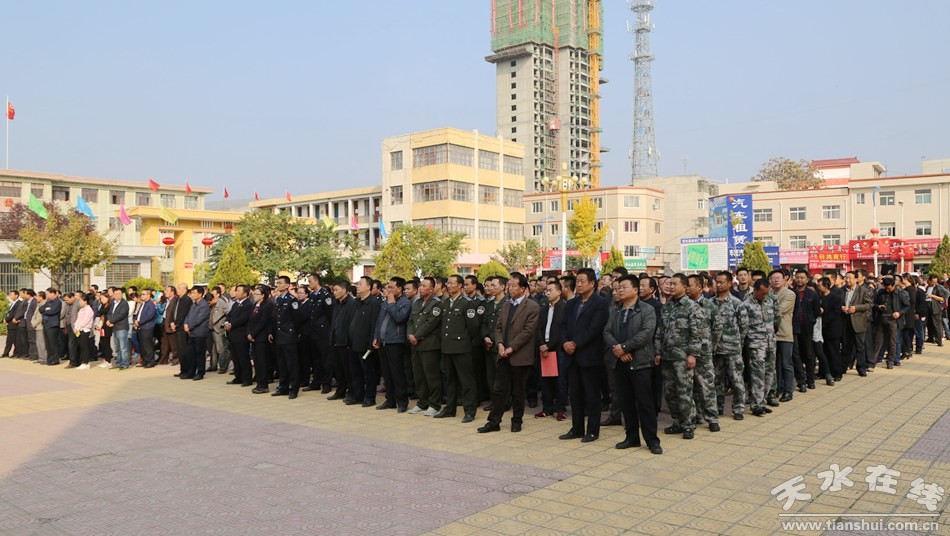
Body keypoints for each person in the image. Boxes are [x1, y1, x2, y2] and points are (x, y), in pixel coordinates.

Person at [604, 274, 661, 454]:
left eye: (624, 287)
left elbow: (646, 333)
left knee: (645, 403)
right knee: (626, 402)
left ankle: (652, 440)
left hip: (641, 362)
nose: (620, 290)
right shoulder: (614, 310)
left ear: (635, 290)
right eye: (618, 287)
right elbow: (606, 332)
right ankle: (631, 437)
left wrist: (625, 347)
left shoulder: (647, 309)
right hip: (619, 362)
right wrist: (618, 350)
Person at [478, 272, 539, 434]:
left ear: (523, 288)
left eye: (513, 285)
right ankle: (494, 421)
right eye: (509, 285)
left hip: (519, 355)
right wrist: (499, 344)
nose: (510, 288)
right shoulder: (505, 305)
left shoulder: (532, 306)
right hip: (502, 353)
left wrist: (511, 347)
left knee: (518, 391)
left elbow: (528, 332)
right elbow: (498, 327)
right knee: (499, 390)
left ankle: (517, 420)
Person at [559, 268, 609, 443]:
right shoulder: (571, 303)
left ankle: (593, 430)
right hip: (572, 357)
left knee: (592, 395)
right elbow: (563, 325)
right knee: (575, 395)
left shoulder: (600, 303)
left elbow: (595, 328)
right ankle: (577, 428)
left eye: (582, 281)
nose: (578, 284)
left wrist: (575, 343)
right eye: (577, 281)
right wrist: (565, 342)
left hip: (590, 356)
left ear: (592, 283)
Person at [655, 274, 703, 440]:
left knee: (684, 392)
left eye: (675, 284)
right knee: (670, 392)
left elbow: (697, 333)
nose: (671, 287)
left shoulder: (691, 307)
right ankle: (677, 421)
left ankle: (688, 424)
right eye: (669, 284)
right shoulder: (667, 306)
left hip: (683, 357)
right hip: (667, 356)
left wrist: (693, 354)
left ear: (684, 286)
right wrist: (657, 352)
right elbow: (660, 331)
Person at [436, 275, 480, 423]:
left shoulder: (466, 303)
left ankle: (469, 411)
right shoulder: (445, 302)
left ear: (460, 286)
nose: (448, 285)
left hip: (462, 347)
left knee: (466, 381)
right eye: (448, 283)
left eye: (452, 283)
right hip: (447, 346)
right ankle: (450, 409)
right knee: (450, 380)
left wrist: (465, 341)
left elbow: (474, 327)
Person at [712, 271, 749, 420]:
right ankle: (717, 407)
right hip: (715, 349)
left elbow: (744, 326)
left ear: (729, 284)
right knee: (716, 381)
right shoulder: (710, 303)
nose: (718, 285)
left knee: (736, 380)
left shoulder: (736, 303)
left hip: (732, 349)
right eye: (717, 282)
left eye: (722, 282)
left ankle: (738, 408)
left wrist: (738, 343)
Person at [685, 275, 719, 432]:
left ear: (699, 287)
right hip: (686, 352)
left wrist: (710, 346)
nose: (687, 288)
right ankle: (694, 417)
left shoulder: (709, 305)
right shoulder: (683, 305)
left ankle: (712, 418)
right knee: (689, 387)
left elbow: (717, 328)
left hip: (704, 352)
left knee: (706, 386)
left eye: (690, 285)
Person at [374, 277, 411, 412]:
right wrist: (376, 336)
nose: (388, 289)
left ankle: (402, 402)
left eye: (391, 287)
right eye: (388, 287)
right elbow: (379, 321)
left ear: (400, 289)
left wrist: (391, 304)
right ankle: (390, 400)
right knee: (387, 373)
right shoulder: (386, 302)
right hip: (383, 341)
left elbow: (399, 318)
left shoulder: (405, 303)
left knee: (397, 373)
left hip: (395, 342)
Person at [407, 277, 443, 416]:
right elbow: (411, 321)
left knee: (431, 376)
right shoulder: (417, 303)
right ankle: (422, 402)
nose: (421, 288)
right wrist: (410, 335)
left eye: (424, 286)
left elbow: (431, 323)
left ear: (432, 289)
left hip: (429, 344)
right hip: (415, 345)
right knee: (419, 376)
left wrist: (416, 336)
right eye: (420, 286)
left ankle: (434, 404)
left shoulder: (437, 304)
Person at [535, 279, 567, 421]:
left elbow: (562, 331)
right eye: (546, 290)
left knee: (559, 381)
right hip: (544, 348)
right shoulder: (544, 309)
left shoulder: (564, 308)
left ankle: (560, 409)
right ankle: (547, 408)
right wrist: (542, 345)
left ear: (559, 292)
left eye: (550, 290)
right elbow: (538, 329)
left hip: (558, 349)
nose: (547, 293)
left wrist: (549, 346)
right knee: (545, 380)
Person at [745, 279, 777, 417]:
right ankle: (756, 404)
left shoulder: (770, 301)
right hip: (756, 344)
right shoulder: (746, 304)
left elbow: (777, 319)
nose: (765, 296)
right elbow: (743, 325)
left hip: (770, 342)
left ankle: (762, 401)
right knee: (758, 374)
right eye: (763, 293)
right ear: (756, 290)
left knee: (770, 372)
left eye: (767, 293)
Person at [270, 276, 301, 398]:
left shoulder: (292, 300)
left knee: (291, 364)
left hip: (289, 336)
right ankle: (283, 387)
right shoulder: (278, 299)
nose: (277, 285)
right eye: (277, 282)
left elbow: (297, 319)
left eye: (280, 283)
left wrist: (293, 333)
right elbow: (276, 318)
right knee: (281, 364)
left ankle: (293, 388)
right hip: (279, 335)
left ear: (287, 285)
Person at [791, 271, 821, 391]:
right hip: (793, 327)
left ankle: (810, 379)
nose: (799, 280)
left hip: (807, 327)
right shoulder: (791, 292)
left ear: (807, 279)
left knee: (809, 354)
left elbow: (816, 310)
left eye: (802, 277)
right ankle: (801, 381)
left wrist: (811, 320)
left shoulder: (812, 294)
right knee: (796, 354)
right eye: (797, 277)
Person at [872, 276, 911, 369]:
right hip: (881, 318)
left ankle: (890, 361)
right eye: (885, 288)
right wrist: (878, 306)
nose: (887, 290)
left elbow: (907, 306)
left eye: (889, 288)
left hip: (893, 319)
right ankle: (872, 361)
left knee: (892, 342)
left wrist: (899, 313)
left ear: (893, 285)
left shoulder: (900, 293)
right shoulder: (880, 292)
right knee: (877, 341)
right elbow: (873, 304)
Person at [770, 270, 796, 403]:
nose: (776, 280)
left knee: (786, 364)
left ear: (785, 279)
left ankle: (788, 391)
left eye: (778, 278)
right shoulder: (769, 293)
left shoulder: (790, 294)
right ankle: (776, 389)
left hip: (784, 334)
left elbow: (779, 310)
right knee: (774, 365)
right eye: (773, 278)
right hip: (770, 335)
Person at [842, 271, 874, 377]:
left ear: (856, 279)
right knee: (846, 345)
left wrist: (856, 308)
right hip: (845, 320)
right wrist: (842, 307)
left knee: (860, 346)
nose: (847, 280)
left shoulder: (862, 290)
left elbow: (869, 304)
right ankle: (843, 366)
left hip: (858, 321)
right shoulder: (842, 290)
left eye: (849, 278)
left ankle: (861, 367)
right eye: (846, 278)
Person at [225, 285, 254, 387]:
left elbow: (243, 319)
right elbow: (229, 315)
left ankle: (247, 379)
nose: (236, 293)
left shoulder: (248, 305)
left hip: (241, 334)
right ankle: (238, 377)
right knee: (235, 358)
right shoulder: (235, 304)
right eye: (236, 291)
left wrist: (231, 324)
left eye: (238, 291)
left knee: (243, 357)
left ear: (245, 294)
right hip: (233, 334)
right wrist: (227, 322)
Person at [818, 277, 844, 382]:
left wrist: (824, 317)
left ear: (826, 286)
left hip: (833, 329)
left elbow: (836, 312)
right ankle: (823, 372)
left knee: (834, 352)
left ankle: (837, 372)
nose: (818, 287)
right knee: (823, 351)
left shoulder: (835, 298)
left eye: (820, 285)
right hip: (821, 329)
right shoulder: (818, 297)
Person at [249, 285, 274, 393]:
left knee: (262, 361)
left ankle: (263, 385)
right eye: (254, 294)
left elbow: (263, 322)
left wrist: (253, 334)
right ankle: (259, 383)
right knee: (257, 361)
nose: (254, 296)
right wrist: (249, 333)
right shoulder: (255, 305)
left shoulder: (267, 306)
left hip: (261, 337)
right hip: (253, 337)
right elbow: (250, 320)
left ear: (263, 295)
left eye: (257, 294)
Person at [170, 282, 192, 376]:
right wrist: (172, 322)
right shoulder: (178, 299)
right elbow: (173, 312)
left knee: (184, 350)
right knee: (179, 350)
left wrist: (176, 323)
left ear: (185, 290)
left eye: (179, 288)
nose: (177, 290)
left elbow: (184, 314)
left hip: (182, 327)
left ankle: (187, 370)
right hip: (177, 327)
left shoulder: (187, 300)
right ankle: (183, 370)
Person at [106, 287, 131, 370]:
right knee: (117, 347)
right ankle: (118, 363)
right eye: (116, 294)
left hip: (122, 327)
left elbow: (121, 315)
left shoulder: (124, 303)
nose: (117, 296)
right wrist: (109, 320)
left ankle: (125, 363)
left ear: (122, 294)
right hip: (115, 327)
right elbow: (109, 313)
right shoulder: (113, 303)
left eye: (119, 294)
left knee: (123, 347)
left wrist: (111, 321)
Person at [133, 289, 157, 368]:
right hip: (141, 327)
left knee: (147, 345)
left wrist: (139, 322)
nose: (141, 296)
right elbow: (138, 314)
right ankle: (145, 360)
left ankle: (150, 361)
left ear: (148, 295)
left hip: (147, 327)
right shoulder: (143, 304)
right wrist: (135, 320)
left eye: (143, 294)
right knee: (142, 345)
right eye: (141, 294)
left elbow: (149, 316)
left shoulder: (150, 304)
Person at [73, 293, 97, 369]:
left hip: (85, 330)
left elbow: (85, 321)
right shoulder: (81, 310)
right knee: (81, 346)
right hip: (79, 330)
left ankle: (86, 362)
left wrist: (79, 327)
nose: (79, 303)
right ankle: (83, 362)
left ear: (85, 301)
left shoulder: (89, 310)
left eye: (80, 301)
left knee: (85, 347)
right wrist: (76, 326)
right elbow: (78, 319)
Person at [2, 290, 22, 357]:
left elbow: (13, 314)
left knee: (15, 340)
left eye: (11, 295)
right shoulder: (13, 303)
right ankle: (6, 353)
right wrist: (5, 319)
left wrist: (6, 319)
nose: (10, 296)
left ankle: (16, 353)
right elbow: (9, 313)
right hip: (10, 324)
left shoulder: (19, 303)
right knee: (9, 340)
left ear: (16, 295)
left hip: (14, 324)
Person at [96, 292, 113, 367]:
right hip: (102, 325)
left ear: (107, 298)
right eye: (100, 298)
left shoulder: (110, 305)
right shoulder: (102, 305)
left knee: (107, 343)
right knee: (103, 342)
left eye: (103, 298)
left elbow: (104, 312)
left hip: (107, 326)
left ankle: (108, 360)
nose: (101, 300)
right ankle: (106, 359)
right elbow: (100, 314)